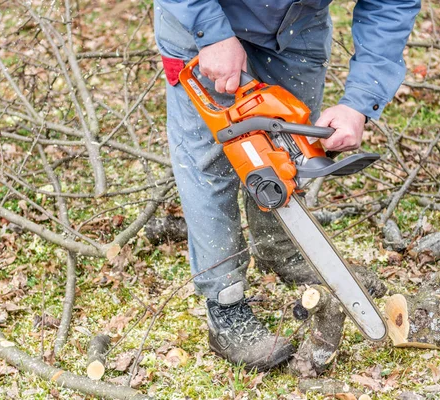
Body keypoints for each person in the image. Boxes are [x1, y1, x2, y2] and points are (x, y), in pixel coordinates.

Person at [153, 0, 420, 371]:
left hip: (297, 27)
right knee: (210, 163)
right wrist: (210, 33)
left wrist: (359, 102)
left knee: (286, 150)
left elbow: (391, 6)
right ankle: (224, 301)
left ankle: (279, 249)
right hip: (204, 15)